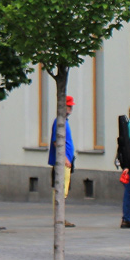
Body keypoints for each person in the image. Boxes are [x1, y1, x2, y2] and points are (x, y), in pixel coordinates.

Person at [48, 96, 76, 226]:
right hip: (62, 162)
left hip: (66, 161)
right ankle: (59, 217)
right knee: (60, 189)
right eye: (69, 106)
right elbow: (56, 141)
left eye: (71, 106)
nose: (70, 108)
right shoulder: (59, 122)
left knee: (63, 189)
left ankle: (60, 216)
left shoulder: (65, 121)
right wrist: (64, 158)